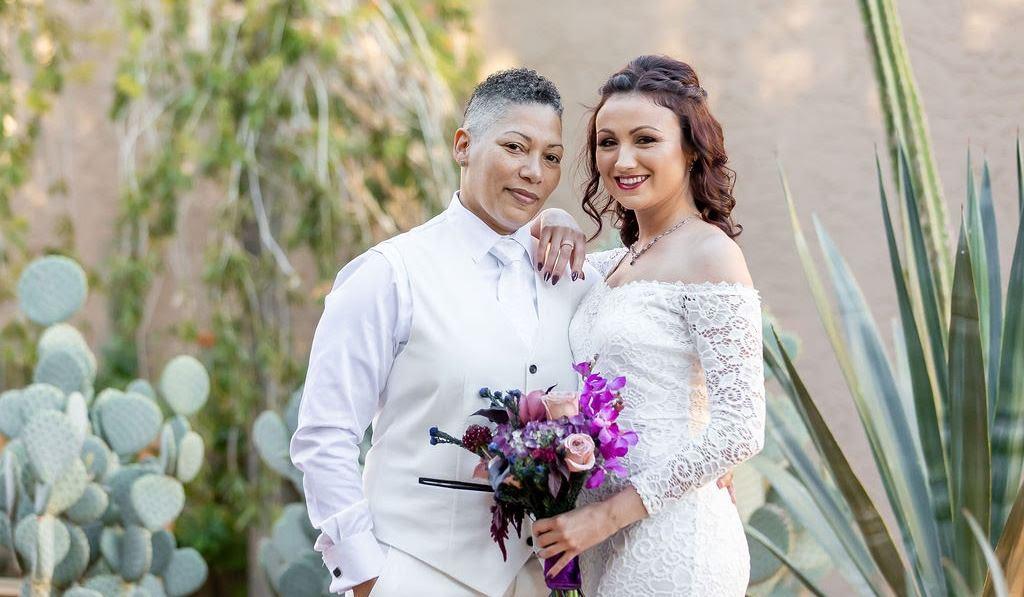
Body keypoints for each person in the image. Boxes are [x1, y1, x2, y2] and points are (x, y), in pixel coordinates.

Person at [289, 67, 597, 597]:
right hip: (413, 572)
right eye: (515, 147)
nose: (533, 172)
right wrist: (366, 578)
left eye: (551, 157)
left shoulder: (575, 277)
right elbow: (325, 435)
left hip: (537, 580)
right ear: (463, 146)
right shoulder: (390, 274)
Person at [531, 55, 766, 596]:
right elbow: (529, 260)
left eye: (645, 140)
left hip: (675, 538)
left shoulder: (711, 254)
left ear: (690, 149)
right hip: (601, 544)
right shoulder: (613, 265)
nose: (623, 159)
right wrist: (553, 217)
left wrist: (604, 517)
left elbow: (741, 428)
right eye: (607, 142)